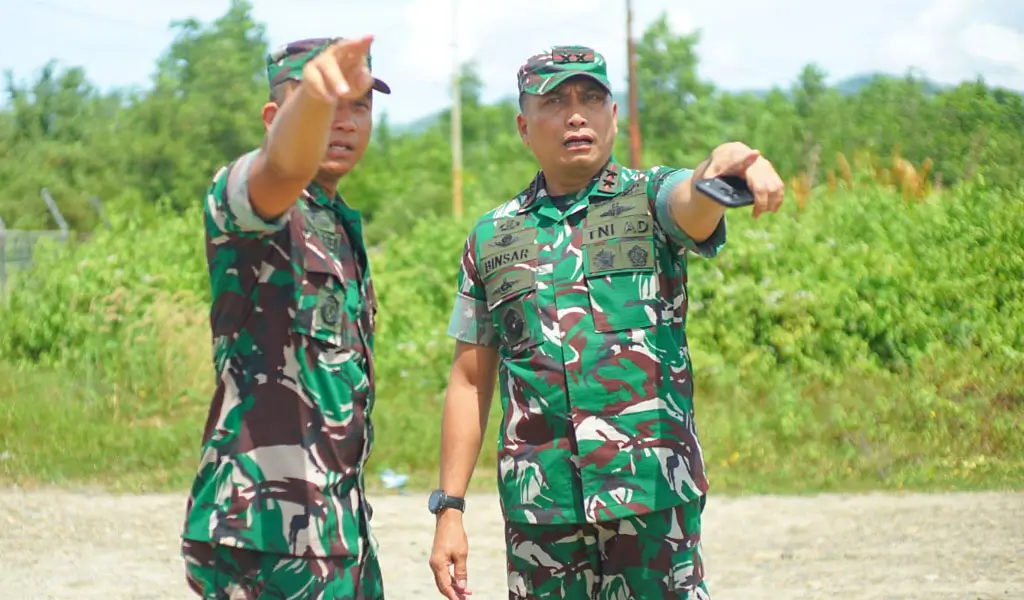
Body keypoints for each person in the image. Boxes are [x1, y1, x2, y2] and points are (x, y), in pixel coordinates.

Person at [427, 45, 784, 599]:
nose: (576, 114)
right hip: (542, 510)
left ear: (613, 116)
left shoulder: (649, 198)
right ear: (525, 127)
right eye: (556, 101)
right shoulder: (493, 236)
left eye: (592, 98)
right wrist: (448, 508)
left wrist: (728, 161)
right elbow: (470, 380)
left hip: (651, 495)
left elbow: (693, 200)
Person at [179, 35, 390, 600]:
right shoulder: (252, 204)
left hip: (339, 536)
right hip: (264, 540)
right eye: (327, 104)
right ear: (275, 116)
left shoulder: (336, 223)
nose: (344, 120)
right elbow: (281, 166)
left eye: (360, 105)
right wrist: (313, 102)